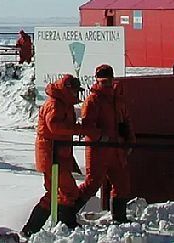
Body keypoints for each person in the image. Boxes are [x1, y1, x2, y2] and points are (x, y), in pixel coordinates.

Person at [21, 74, 94, 235]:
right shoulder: (55, 104)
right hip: (52, 155)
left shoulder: (63, 103)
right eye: (75, 91)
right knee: (68, 192)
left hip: (57, 154)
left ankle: (32, 229)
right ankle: (65, 224)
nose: (76, 95)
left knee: (53, 194)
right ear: (68, 90)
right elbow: (55, 127)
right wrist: (80, 129)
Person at [79, 64, 136, 224]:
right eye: (103, 81)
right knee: (92, 183)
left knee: (122, 184)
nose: (107, 84)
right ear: (97, 81)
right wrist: (100, 137)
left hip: (117, 149)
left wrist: (130, 140)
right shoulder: (92, 101)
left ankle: (119, 218)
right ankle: (68, 212)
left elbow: (126, 121)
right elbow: (87, 126)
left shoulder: (118, 99)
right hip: (99, 150)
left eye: (108, 81)